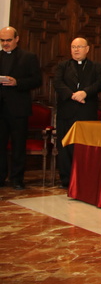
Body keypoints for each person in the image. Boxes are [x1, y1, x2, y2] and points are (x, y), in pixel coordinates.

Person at [53, 37, 101, 188]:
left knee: (84, 147)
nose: (76, 50)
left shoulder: (96, 67)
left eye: (80, 46)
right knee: (65, 146)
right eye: (73, 46)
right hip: (66, 112)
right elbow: (57, 83)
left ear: (87, 49)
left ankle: (83, 178)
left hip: (86, 113)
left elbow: (99, 83)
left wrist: (85, 93)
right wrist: (73, 95)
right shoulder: (62, 66)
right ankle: (66, 179)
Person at [0, 27, 41, 190]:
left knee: (18, 145)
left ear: (17, 39)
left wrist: (17, 82)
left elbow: (37, 80)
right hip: (0, 109)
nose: (5, 44)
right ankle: (0, 177)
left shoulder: (28, 57)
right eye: (2, 41)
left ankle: (17, 179)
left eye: (8, 40)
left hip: (18, 109)